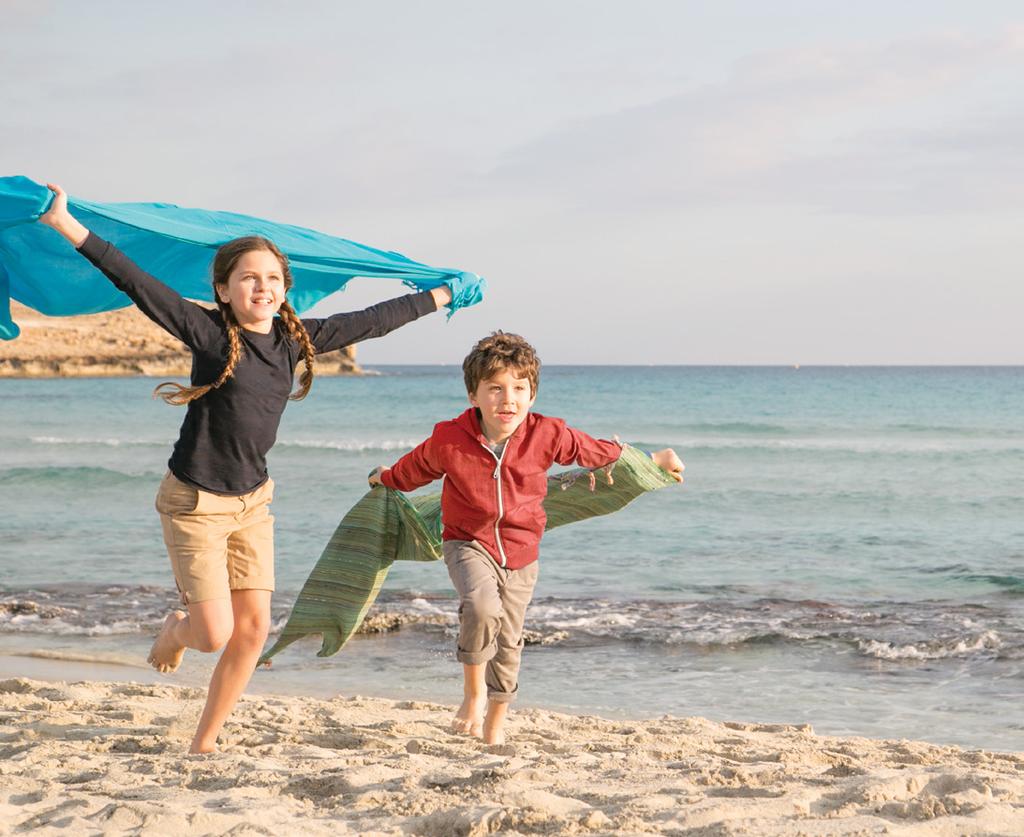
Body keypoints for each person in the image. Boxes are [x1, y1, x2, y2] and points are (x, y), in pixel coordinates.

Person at [38, 184, 468, 754]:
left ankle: (205, 741)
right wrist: (68, 225)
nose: (261, 286)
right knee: (212, 634)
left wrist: (440, 296)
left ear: (286, 289)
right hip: (194, 504)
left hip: (253, 504)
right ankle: (175, 628)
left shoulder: (296, 340)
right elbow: (139, 285)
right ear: (223, 289)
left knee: (252, 630)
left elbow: (372, 320)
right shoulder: (211, 335)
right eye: (248, 277)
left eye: (272, 277)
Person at [369, 332, 683, 745]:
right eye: (495, 389)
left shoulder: (547, 434)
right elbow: (415, 468)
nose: (508, 399)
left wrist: (652, 462)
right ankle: (473, 693)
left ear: (532, 395)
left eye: (519, 388)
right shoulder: (450, 438)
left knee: (509, 640)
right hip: (466, 541)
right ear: (473, 395)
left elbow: (597, 452)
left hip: (521, 552)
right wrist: (385, 478)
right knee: (480, 608)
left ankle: (495, 723)